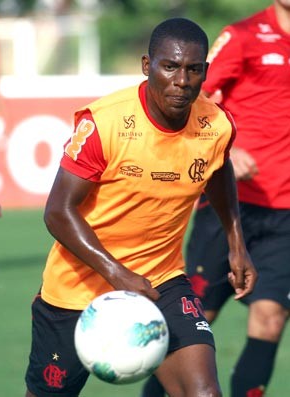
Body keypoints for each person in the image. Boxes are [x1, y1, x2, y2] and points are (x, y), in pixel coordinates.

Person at [24, 17, 257, 397]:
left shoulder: (217, 125)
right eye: (170, 67)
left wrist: (236, 242)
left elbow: (218, 168)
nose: (182, 81)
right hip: (75, 291)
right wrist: (117, 274)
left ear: (204, 72)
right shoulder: (105, 123)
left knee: (204, 393)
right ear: (147, 66)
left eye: (193, 70)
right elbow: (57, 212)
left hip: (159, 281)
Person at [141, 2, 290, 396]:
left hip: (286, 211)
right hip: (229, 204)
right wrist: (225, 149)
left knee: (270, 318)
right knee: (193, 320)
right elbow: (193, 93)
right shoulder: (242, 36)